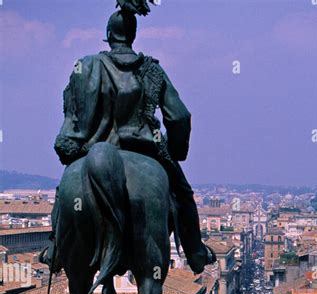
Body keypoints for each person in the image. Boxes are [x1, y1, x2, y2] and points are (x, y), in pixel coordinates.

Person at [44, 7, 215, 277]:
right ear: (133, 35)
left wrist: (73, 144)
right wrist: (176, 150)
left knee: (65, 188)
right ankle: (195, 251)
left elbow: (73, 116)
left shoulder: (86, 66)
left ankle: (54, 250)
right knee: (183, 195)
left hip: (91, 149)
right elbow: (180, 115)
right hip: (145, 150)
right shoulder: (152, 71)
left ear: (109, 35)